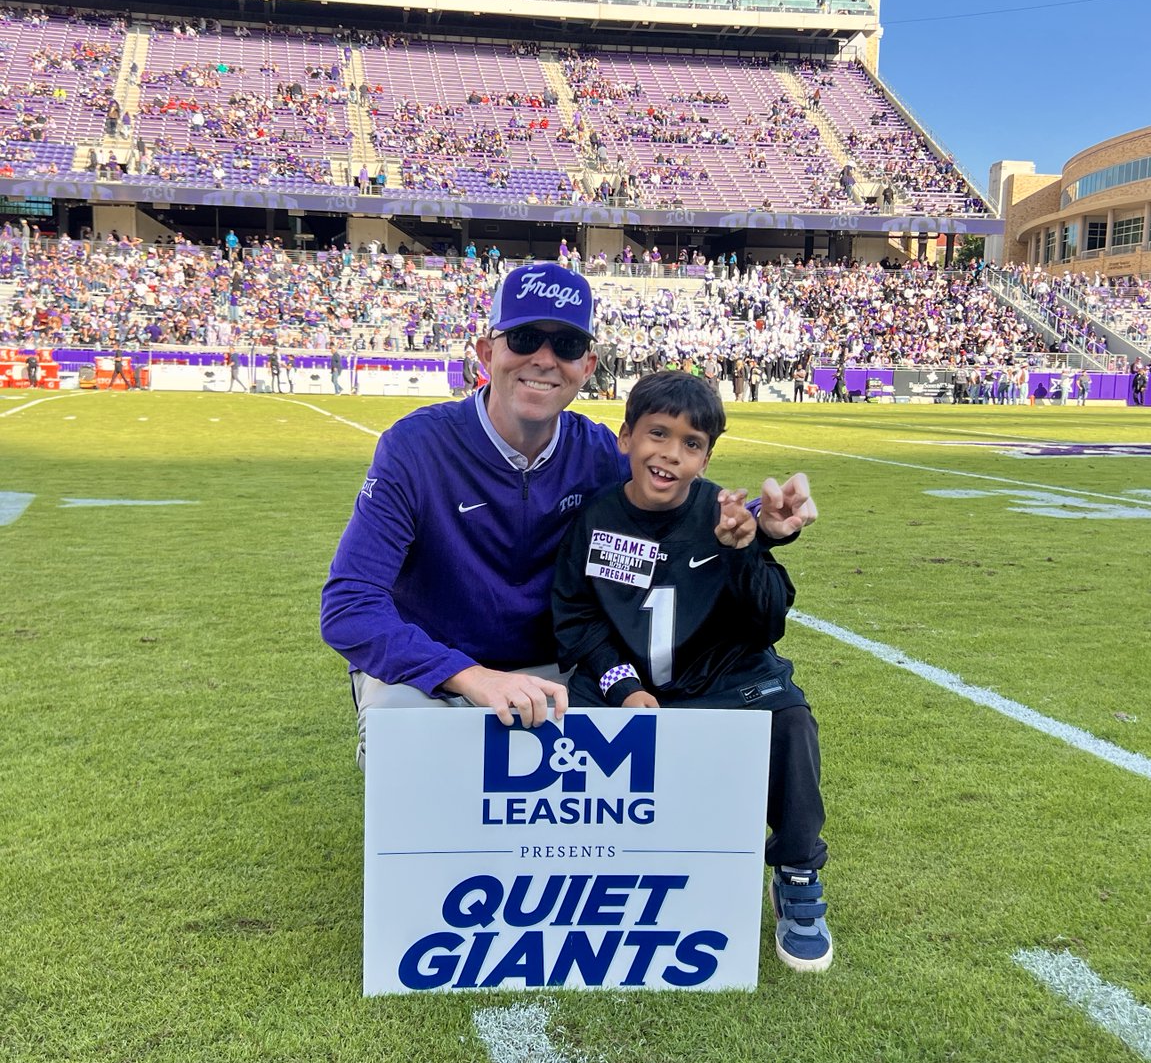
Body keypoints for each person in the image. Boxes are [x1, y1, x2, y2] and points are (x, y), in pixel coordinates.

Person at [319, 262, 818, 770]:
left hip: (553, 667)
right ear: (487, 353)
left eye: (566, 346)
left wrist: (759, 518)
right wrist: (471, 675)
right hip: (434, 668)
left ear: (588, 364)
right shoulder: (415, 447)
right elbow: (349, 605)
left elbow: (681, 497)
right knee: (407, 747)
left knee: (633, 748)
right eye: (525, 337)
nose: (544, 359)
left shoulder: (600, 453)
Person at [553, 372, 831, 973]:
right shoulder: (596, 518)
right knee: (558, 721)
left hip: (722, 679)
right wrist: (621, 686)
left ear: (706, 457)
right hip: (632, 683)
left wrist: (742, 553)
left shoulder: (725, 515)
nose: (670, 454)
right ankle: (580, 863)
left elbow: (767, 622)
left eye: (691, 443)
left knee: (790, 721)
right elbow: (576, 618)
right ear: (625, 437)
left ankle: (798, 868)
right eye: (657, 434)